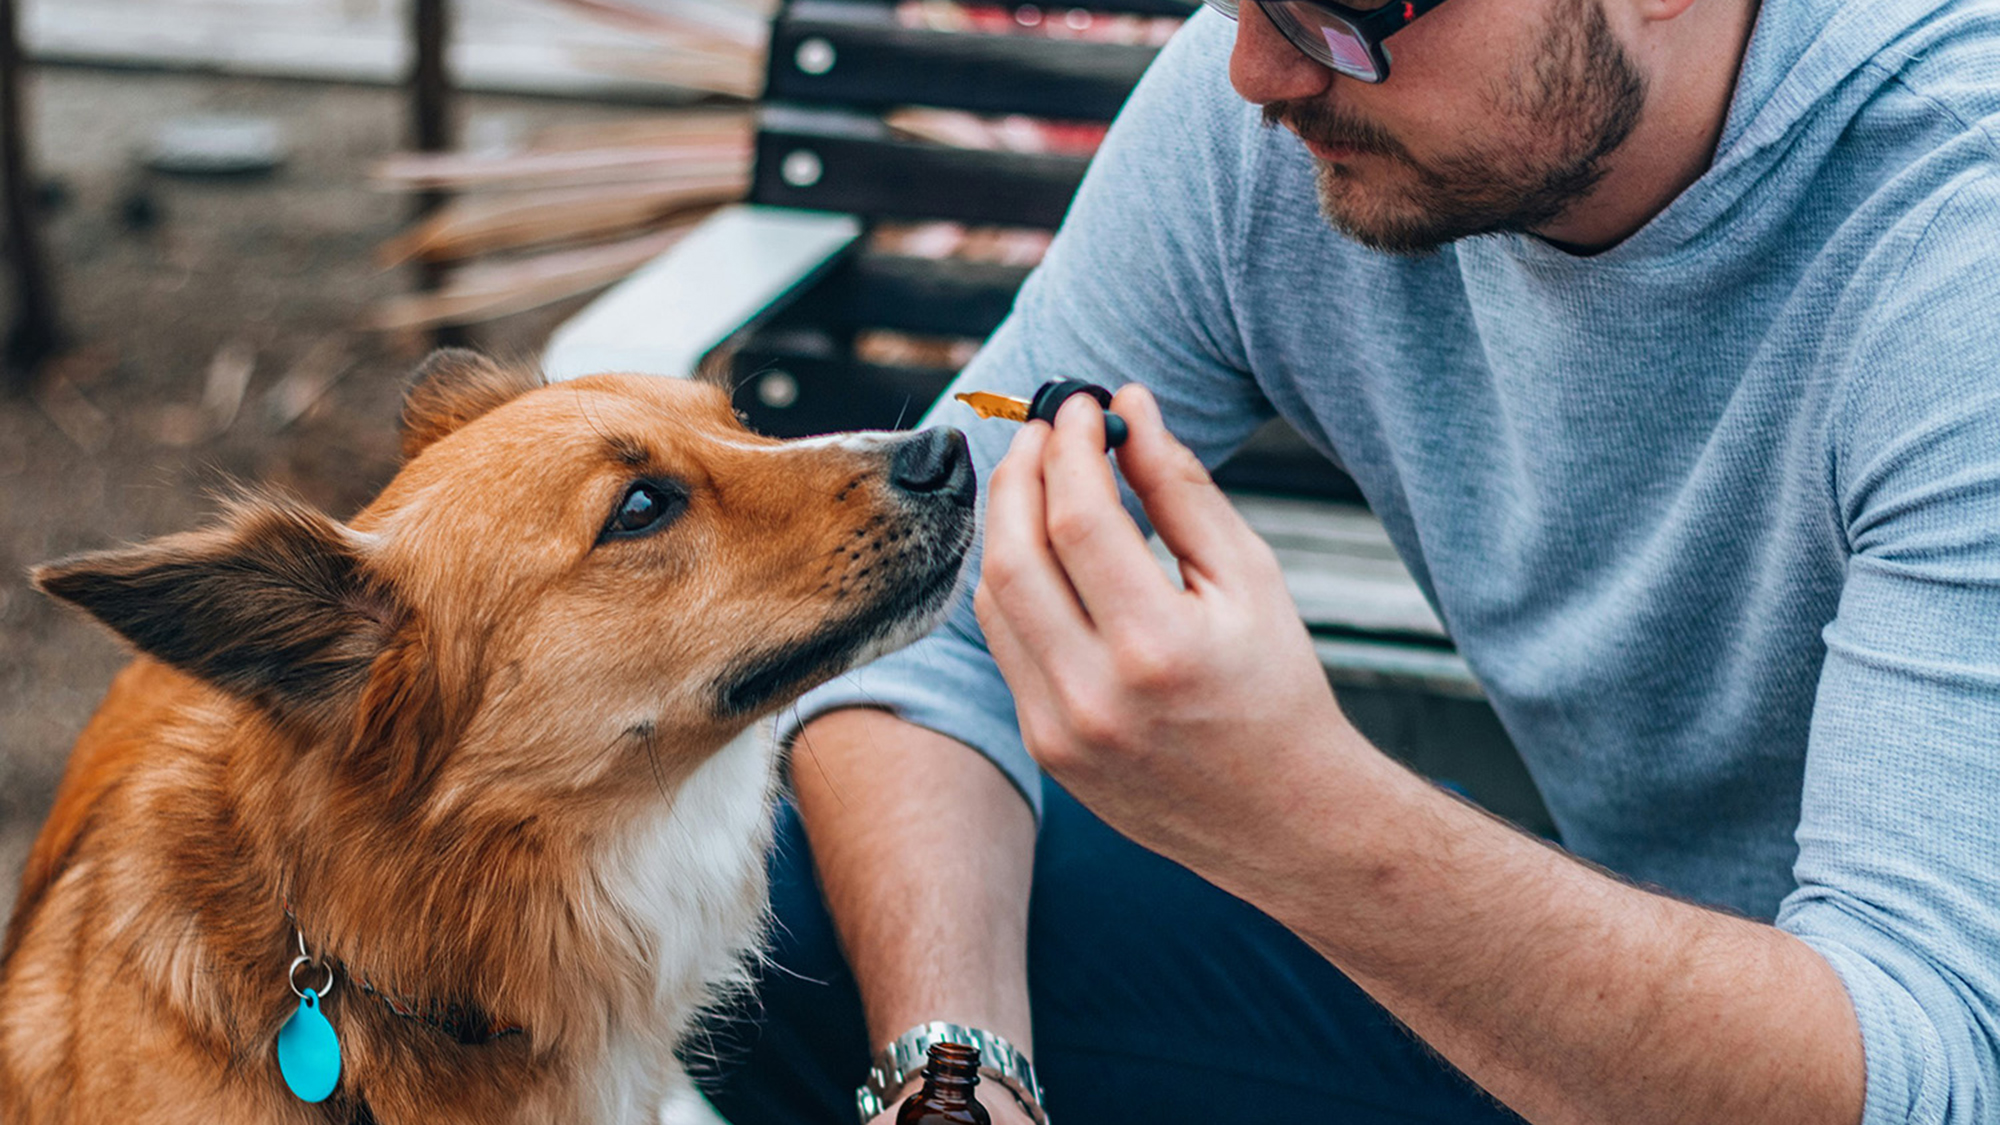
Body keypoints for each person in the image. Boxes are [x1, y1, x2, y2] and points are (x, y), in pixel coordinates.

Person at [700, 0, 2000, 1122]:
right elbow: (934, 627)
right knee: (762, 908)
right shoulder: (1280, 127)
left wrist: (1300, 811)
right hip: (1606, 980)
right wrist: (958, 1075)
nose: (1259, 74)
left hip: (1884, 1056)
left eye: (1346, 4)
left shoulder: (1956, 239)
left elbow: (1931, 1076)